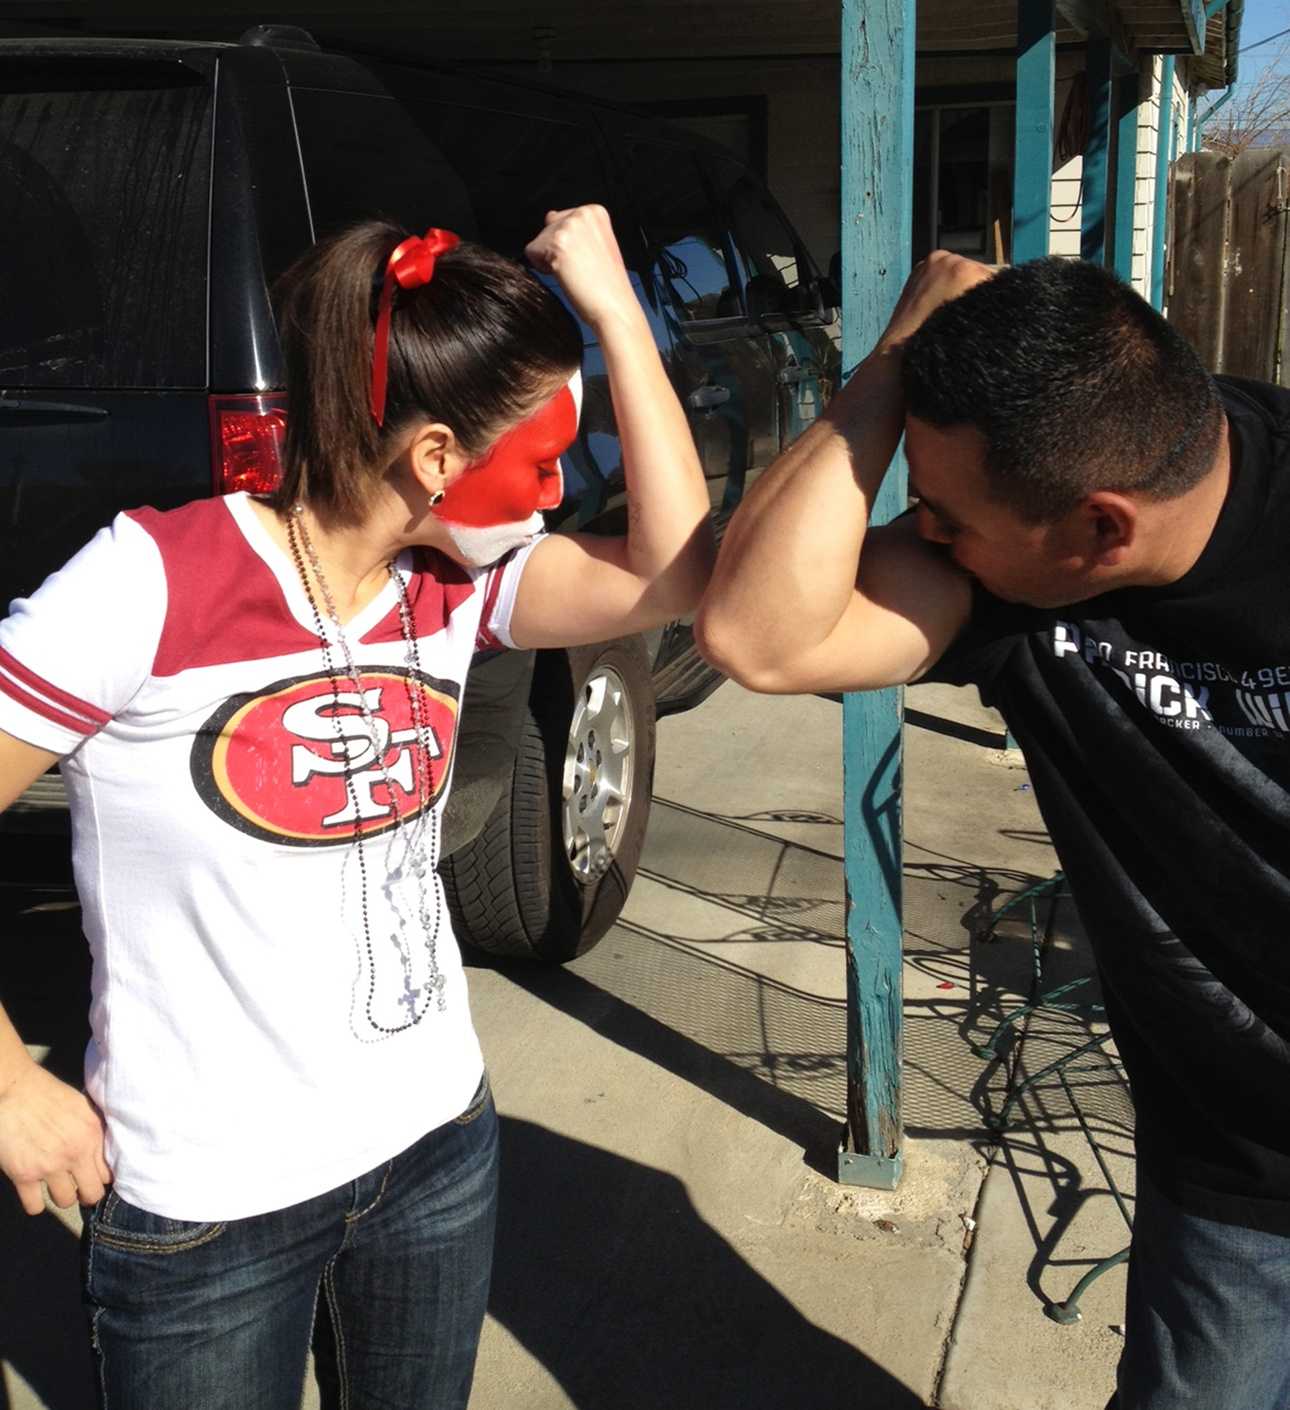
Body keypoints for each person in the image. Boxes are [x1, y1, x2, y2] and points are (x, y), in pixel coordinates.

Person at [0, 204, 712, 1409]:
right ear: (436, 458)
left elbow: (678, 571)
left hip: (437, 1155)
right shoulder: (152, 581)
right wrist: (10, 1084)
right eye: (541, 460)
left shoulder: (451, 589)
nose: (553, 495)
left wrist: (616, 314)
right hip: (208, 1217)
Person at [695, 250, 1290, 1410]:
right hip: (1237, 1168)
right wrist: (887, 367)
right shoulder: (1023, 577)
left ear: (1098, 529)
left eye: (945, 518)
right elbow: (757, 634)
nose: (924, 533)